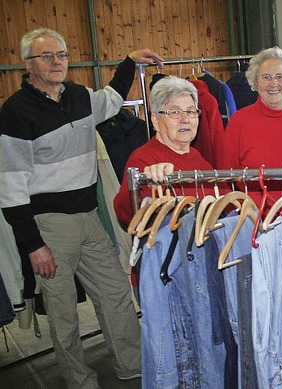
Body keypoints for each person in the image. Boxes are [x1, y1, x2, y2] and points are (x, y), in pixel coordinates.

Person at [0, 28, 163, 388]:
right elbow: (10, 188)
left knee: (116, 294)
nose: (57, 61)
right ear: (27, 65)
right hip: (50, 227)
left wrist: (128, 63)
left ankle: (131, 366)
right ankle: (79, 380)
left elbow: (112, 99)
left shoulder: (77, 96)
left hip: (89, 217)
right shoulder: (15, 113)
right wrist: (33, 244)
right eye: (47, 56)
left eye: (61, 54)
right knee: (63, 312)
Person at [113, 76, 226, 224]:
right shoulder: (143, 159)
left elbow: (226, 200)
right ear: (155, 120)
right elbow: (124, 213)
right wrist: (146, 182)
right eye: (175, 112)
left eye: (191, 111)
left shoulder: (197, 157)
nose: (185, 119)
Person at [222, 46, 282, 202]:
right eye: (266, 77)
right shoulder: (238, 122)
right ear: (255, 81)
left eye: (280, 76)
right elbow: (228, 175)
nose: (274, 83)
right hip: (253, 219)